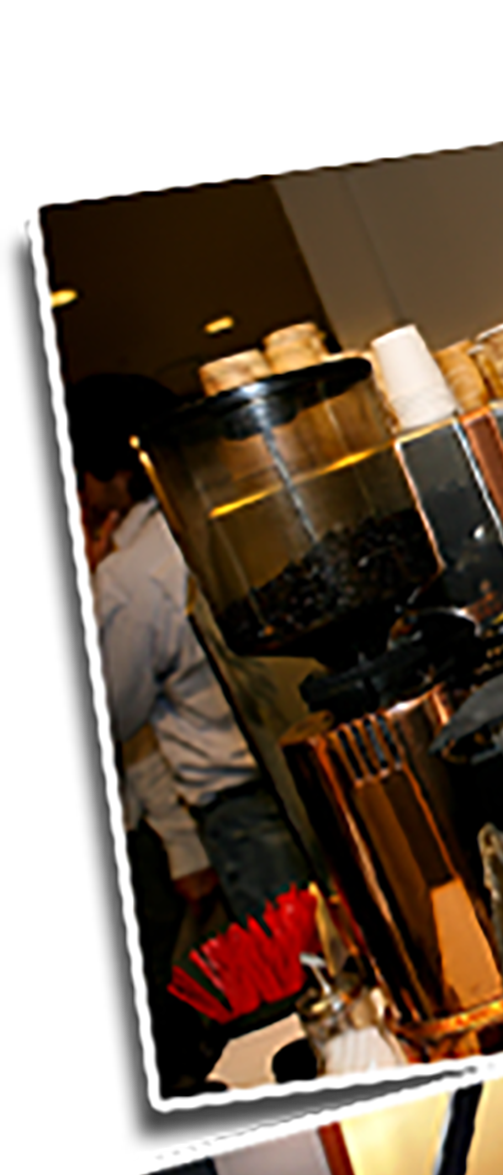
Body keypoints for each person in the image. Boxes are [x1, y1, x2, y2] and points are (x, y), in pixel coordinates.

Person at [67, 374, 311, 924]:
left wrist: (98, 579)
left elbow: (117, 711)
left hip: (239, 805)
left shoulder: (130, 573)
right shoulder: (233, 512)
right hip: (299, 768)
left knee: (299, 976)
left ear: (108, 469)